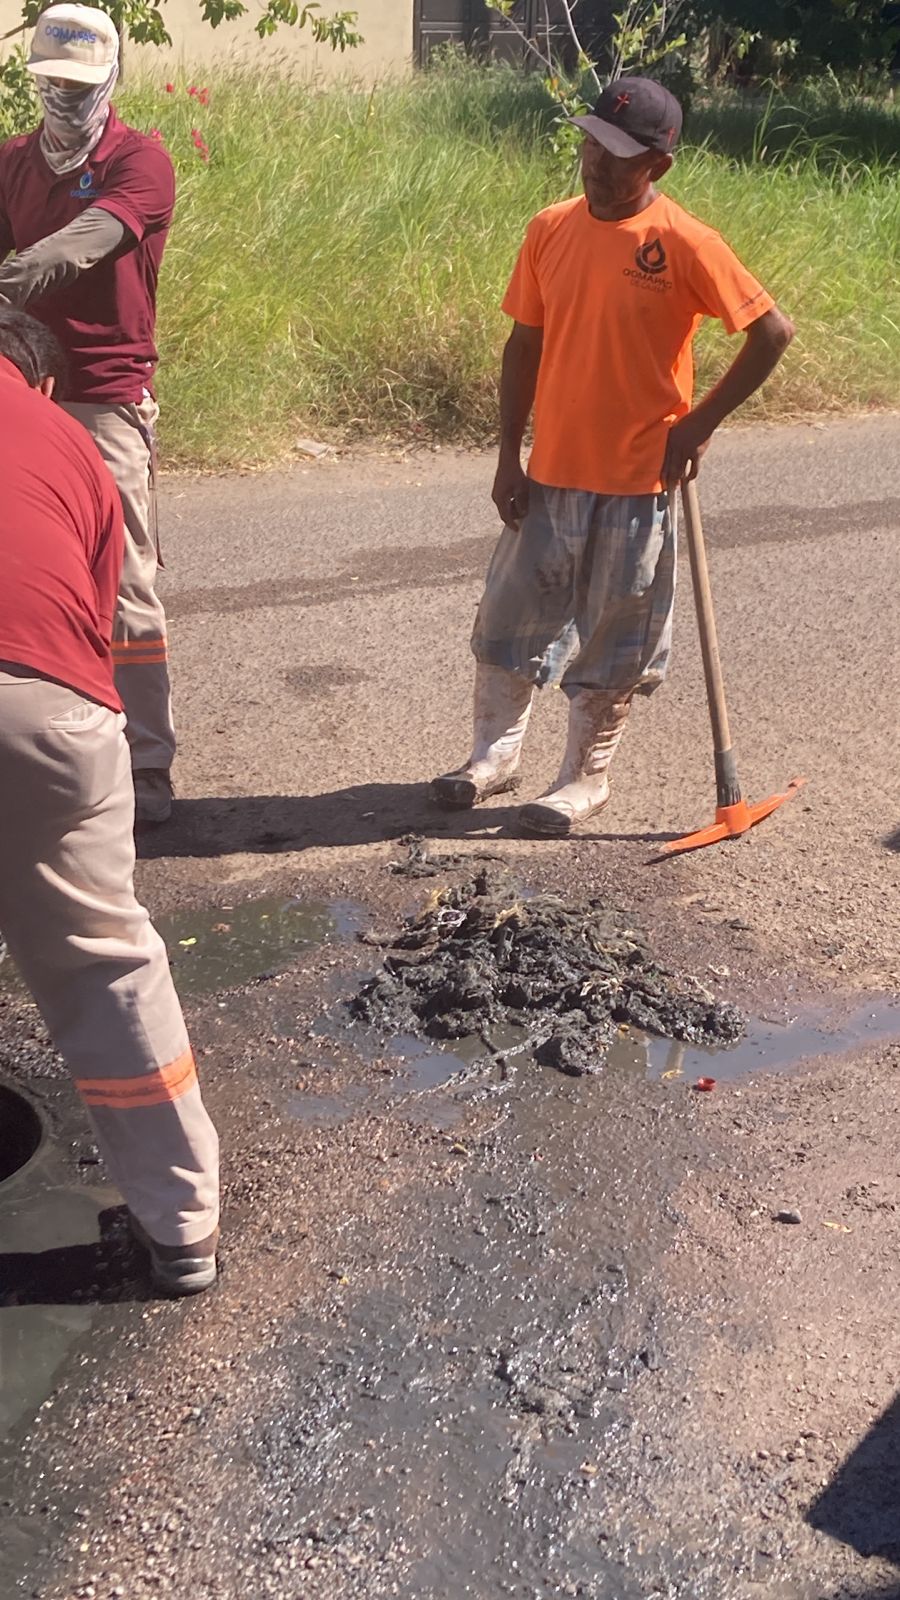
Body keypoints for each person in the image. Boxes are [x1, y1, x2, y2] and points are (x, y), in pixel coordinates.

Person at [432, 77, 794, 836]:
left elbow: (772, 333)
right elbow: (523, 345)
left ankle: (584, 780)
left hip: (637, 479)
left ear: (658, 167)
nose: (597, 162)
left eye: (620, 154)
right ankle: (493, 757)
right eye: (592, 142)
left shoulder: (686, 243)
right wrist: (507, 455)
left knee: (614, 635)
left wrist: (699, 426)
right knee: (509, 621)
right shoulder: (549, 229)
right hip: (549, 472)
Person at [0, 305, 219, 1296]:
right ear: (39, 381)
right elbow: (90, 622)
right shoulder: (73, 445)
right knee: (104, 956)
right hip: (55, 717)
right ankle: (183, 1229)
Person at [0, 3, 177, 824]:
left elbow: (80, 245)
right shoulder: (10, 165)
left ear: (111, 78)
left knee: (124, 581)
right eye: (52, 86)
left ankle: (144, 761)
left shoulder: (139, 161)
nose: (66, 102)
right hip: (19, 388)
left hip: (103, 394)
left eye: (81, 86)